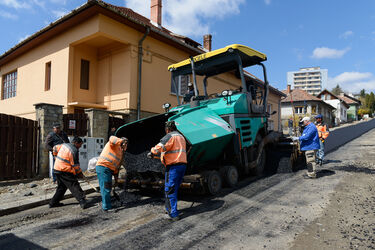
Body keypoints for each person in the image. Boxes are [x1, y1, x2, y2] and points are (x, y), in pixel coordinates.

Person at [148, 121, 187, 221]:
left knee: (169, 190)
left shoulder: (170, 136)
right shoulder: (181, 137)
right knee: (174, 189)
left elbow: (159, 147)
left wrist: (152, 152)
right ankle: (169, 208)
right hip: (182, 166)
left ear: (167, 129)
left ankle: (172, 214)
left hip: (173, 167)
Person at [49, 136, 87, 208]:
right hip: (64, 170)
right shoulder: (74, 151)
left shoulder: (64, 145)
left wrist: (55, 156)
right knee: (74, 184)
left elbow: (54, 148)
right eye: (80, 144)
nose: (80, 146)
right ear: (76, 143)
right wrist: (80, 174)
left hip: (57, 169)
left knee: (62, 187)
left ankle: (53, 203)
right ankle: (82, 201)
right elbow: (76, 166)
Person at [96, 136, 128, 212]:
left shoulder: (120, 152)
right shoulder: (113, 144)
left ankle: (106, 204)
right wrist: (121, 141)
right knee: (106, 188)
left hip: (109, 170)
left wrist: (116, 179)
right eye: (125, 144)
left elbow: (116, 166)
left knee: (107, 188)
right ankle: (106, 207)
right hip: (103, 167)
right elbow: (111, 138)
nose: (126, 146)